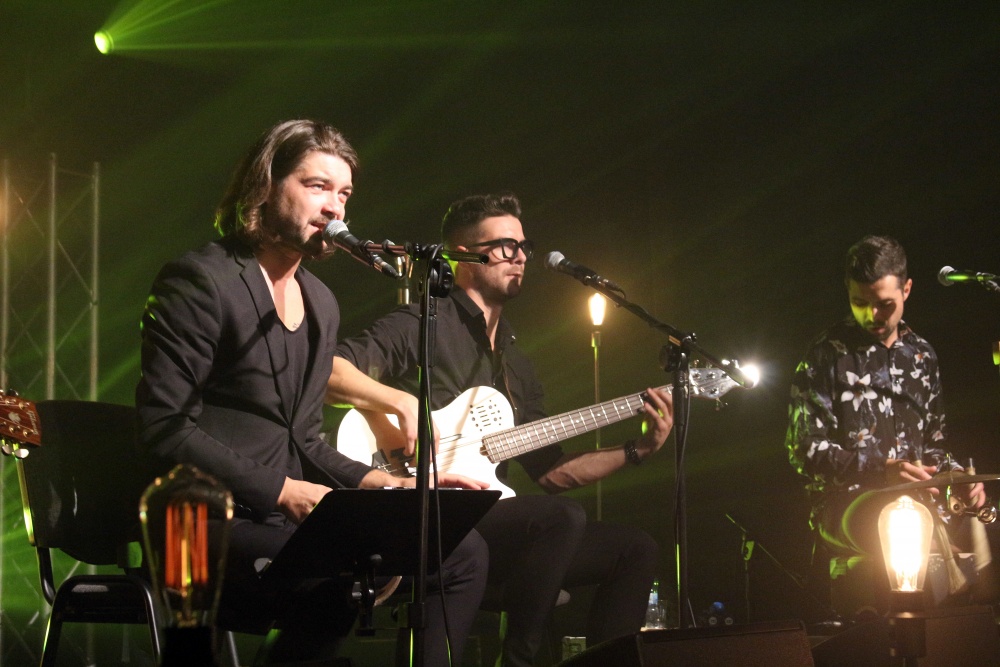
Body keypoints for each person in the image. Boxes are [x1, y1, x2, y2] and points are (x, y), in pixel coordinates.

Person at [135, 119, 490, 666]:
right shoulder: (200, 280)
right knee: (339, 571)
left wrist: (389, 486)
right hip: (203, 524)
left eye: (343, 193)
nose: (334, 208)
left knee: (462, 552)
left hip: (284, 520)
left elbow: (304, 440)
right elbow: (165, 427)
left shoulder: (320, 302)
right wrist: (284, 491)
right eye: (316, 186)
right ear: (265, 186)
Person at [327, 192, 673, 666]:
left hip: (489, 521)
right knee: (561, 518)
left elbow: (551, 472)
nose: (521, 256)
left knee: (634, 548)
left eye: (524, 246)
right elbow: (330, 370)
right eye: (506, 246)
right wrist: (400, 404)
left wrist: (637, 449)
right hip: (420, 507)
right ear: (463, 255)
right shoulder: (422, 323)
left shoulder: (516, 363)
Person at [786, 235, 986, 592]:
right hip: (848, 506)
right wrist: (881, 468)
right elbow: (803, 449)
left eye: (884, 304)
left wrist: (958, 477)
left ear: (906, 289)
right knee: (901, 522)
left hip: (922, 504)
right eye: (859, 303)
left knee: (987, 531)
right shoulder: (825, 353)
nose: (871, 315)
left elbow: (934, 447)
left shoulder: (922, 355)